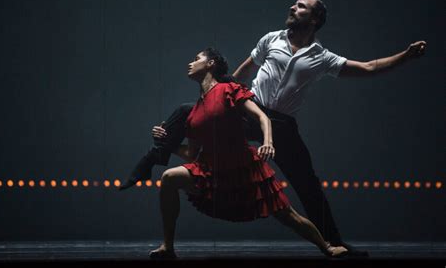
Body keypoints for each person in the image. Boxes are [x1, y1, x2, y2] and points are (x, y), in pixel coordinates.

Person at [120, 0, 426, 257]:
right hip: (250, 111)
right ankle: (156, 154)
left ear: (315, 18)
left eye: (301, 7)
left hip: (282, 125)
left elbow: (369, 68)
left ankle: (335, 243)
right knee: (188, 111)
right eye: (294, 5)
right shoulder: (271, 39)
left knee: (308, 185)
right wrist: (220, 94)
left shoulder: (321, 56)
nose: (293, 9)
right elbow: (241, 72)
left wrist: (406, 56)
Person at [147, 48, 348, 259]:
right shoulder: (194, 113)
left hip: (244, 168)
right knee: (169, 178)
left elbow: (263, 118)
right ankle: (167, 247)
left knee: (287, 216)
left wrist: (268, 143)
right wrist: (166, 142)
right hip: (212, 171)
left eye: (196, 59)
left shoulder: (229, 89)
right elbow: (191, 154)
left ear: (211, 64)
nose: (190, 63)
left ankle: (327, 247)